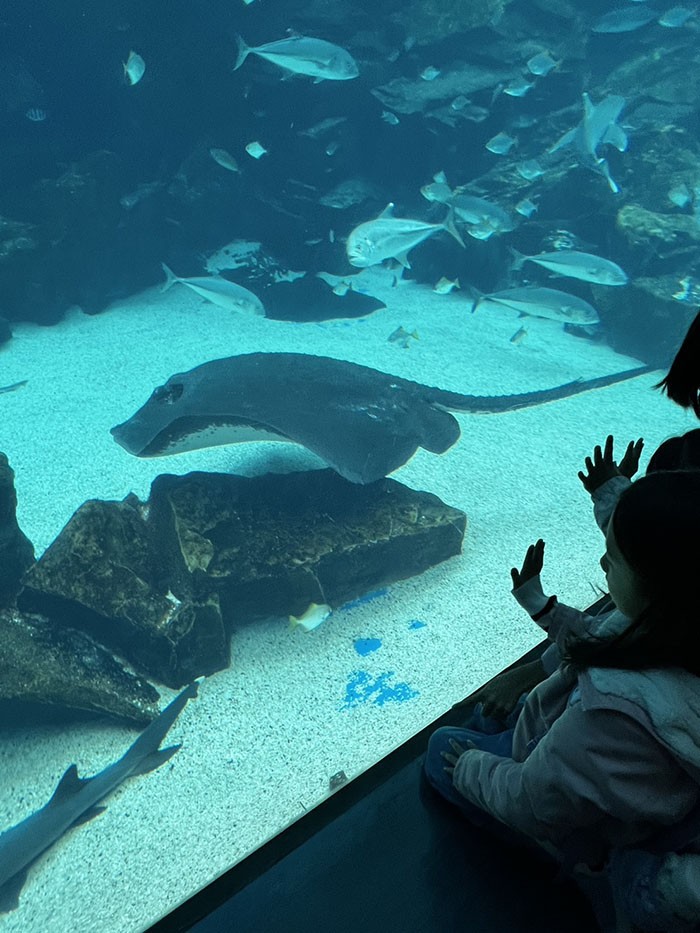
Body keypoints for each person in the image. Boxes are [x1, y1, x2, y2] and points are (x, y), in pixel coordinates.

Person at [425, 462, 700, 932]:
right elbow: (606, 629)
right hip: (619, 769)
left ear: (654, 582)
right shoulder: (675, 621)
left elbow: (534, 801)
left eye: (612, 558)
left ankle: (596, 874)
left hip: (614, 835)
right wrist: (542, 605)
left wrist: (469, 769)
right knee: (496, 723)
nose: (602, 564)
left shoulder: (613, 717)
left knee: (441, 750)